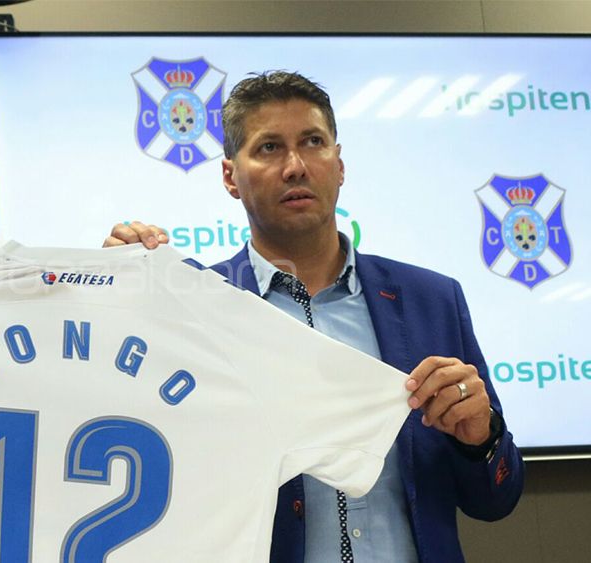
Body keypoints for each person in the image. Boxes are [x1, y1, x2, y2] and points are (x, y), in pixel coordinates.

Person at [107, 71, 524, 562]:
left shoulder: (431, 301)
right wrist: (119, 295)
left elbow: (495, 500)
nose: (296, 166)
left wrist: (481, 437)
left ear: (339, 165)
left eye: (313, 142)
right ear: (230, 177)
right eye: (269, 148)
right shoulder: (192, 305)